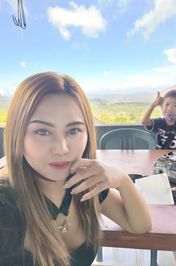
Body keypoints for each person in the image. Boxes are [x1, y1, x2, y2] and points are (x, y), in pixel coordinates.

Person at [0, 72, 151, 266]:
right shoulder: (5, 203)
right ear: (17, 135)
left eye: (73, 130)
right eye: (42, 131)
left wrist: (122, 179)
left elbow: (139, 225)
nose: (62, 149)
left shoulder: (85, 183)